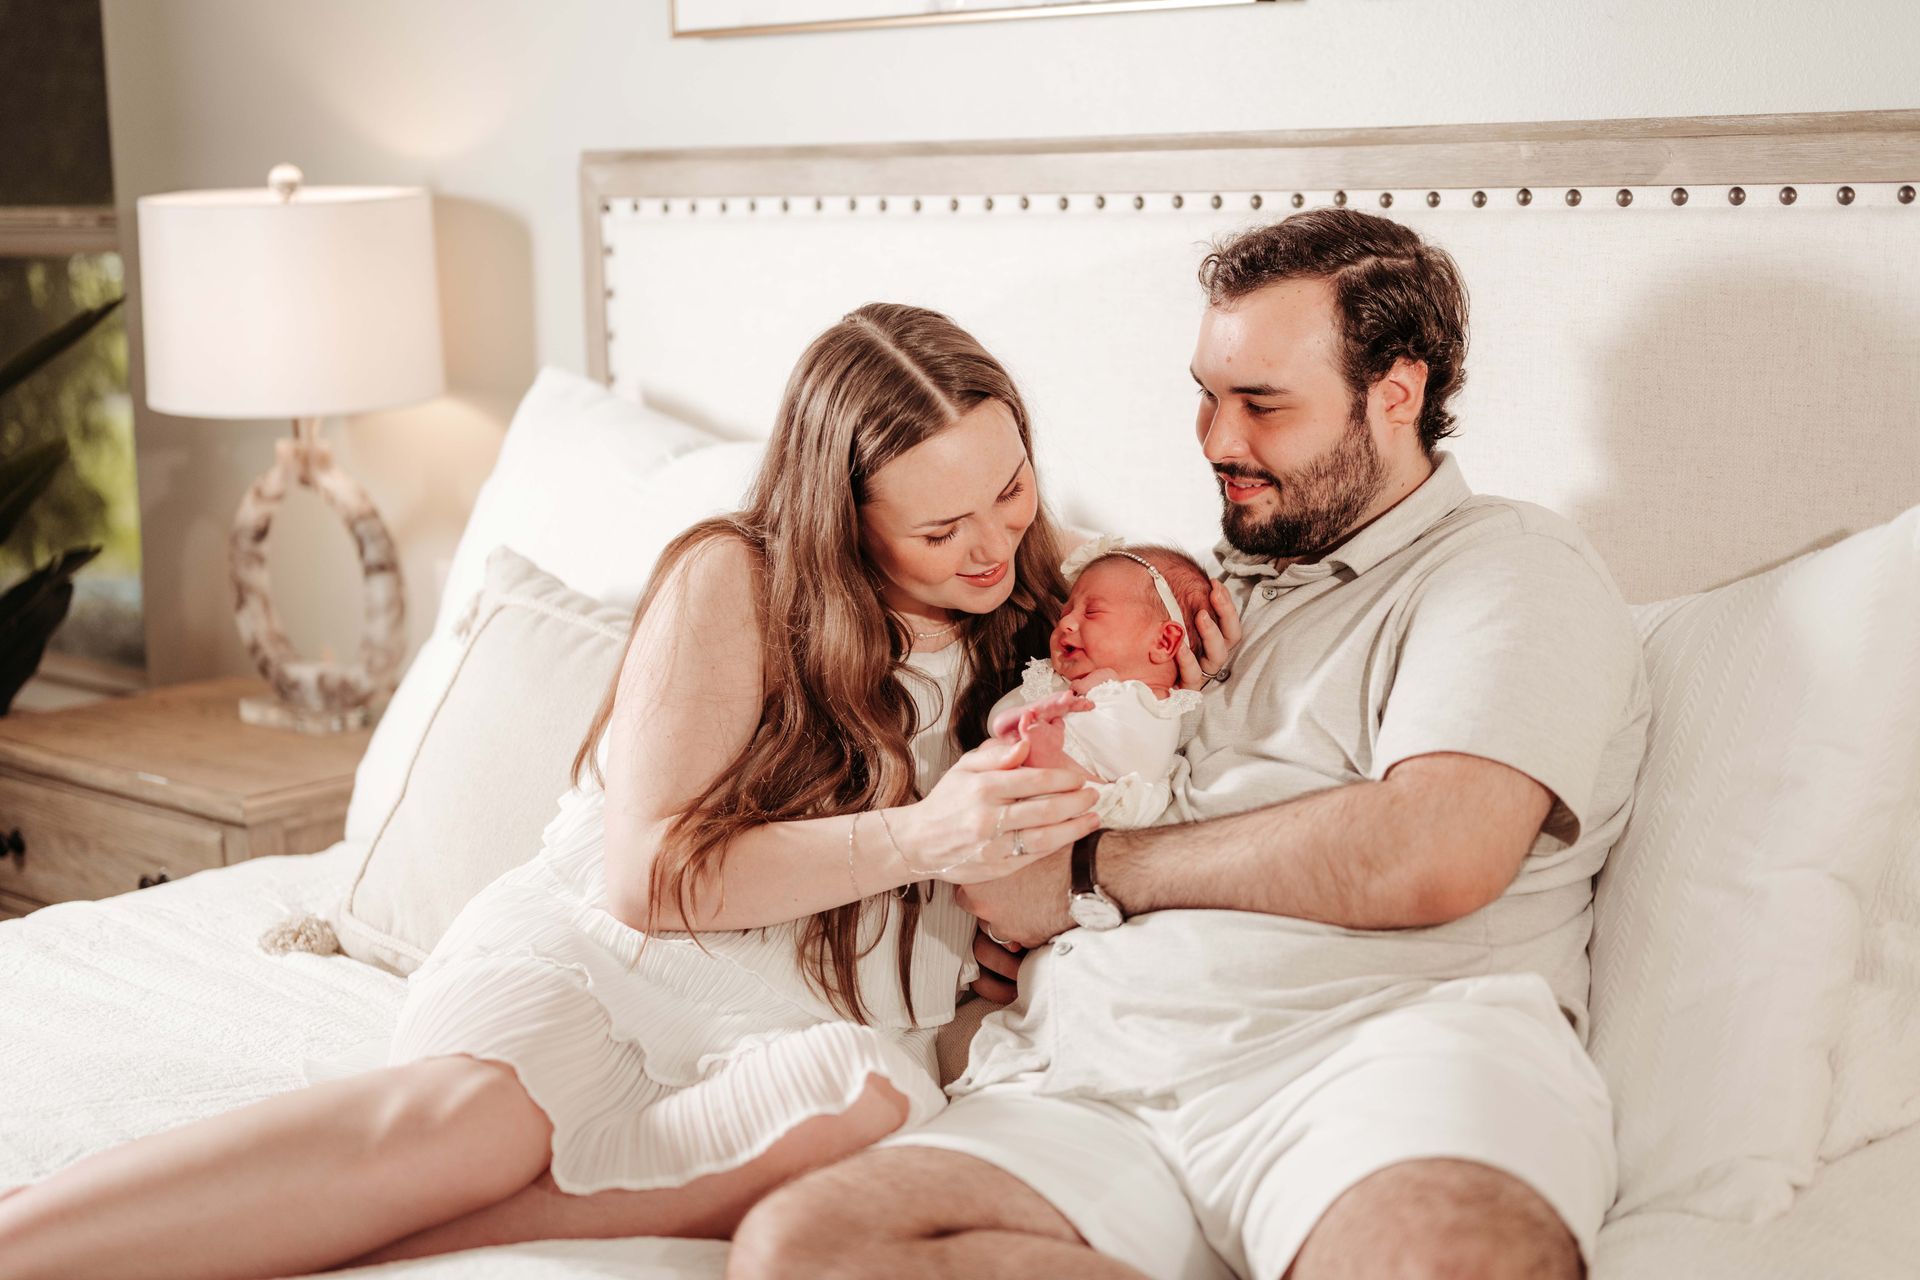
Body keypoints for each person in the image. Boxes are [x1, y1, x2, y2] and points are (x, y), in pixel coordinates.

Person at [0, 303, 1233, 1280]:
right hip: (620, 960)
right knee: (456, 1129)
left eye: (1011, 488)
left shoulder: (1044, 594)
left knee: (876, 1100)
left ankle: (371, 1236)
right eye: (940, 526)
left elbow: (1155, 633)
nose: (993, 543)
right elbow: (647, 879)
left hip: (805, 1020)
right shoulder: (734, 580)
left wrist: (1183, 645)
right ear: (844, 518)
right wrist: (922, 836)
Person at [732, 209, 1653, 1280]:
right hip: (1097, 1074)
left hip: (1376, 1056)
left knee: (1440, 1258)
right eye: (1208, 396)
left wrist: (1084, 874)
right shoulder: (1181, 595)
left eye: (1263, 403)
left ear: (1396, 393)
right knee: (806, 1247)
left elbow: (1437, 846)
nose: (1218, 439)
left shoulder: (1506, 567)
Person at [992, 539, 1213, 828]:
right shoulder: (1063, 680)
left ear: (1164, 642)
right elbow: (998, 717)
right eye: (1065, 612)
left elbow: (1136, 767)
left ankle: (1056, 765)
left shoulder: (1149, 706)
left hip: (1088, 808)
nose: (1065, 623)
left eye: (1092, 613)